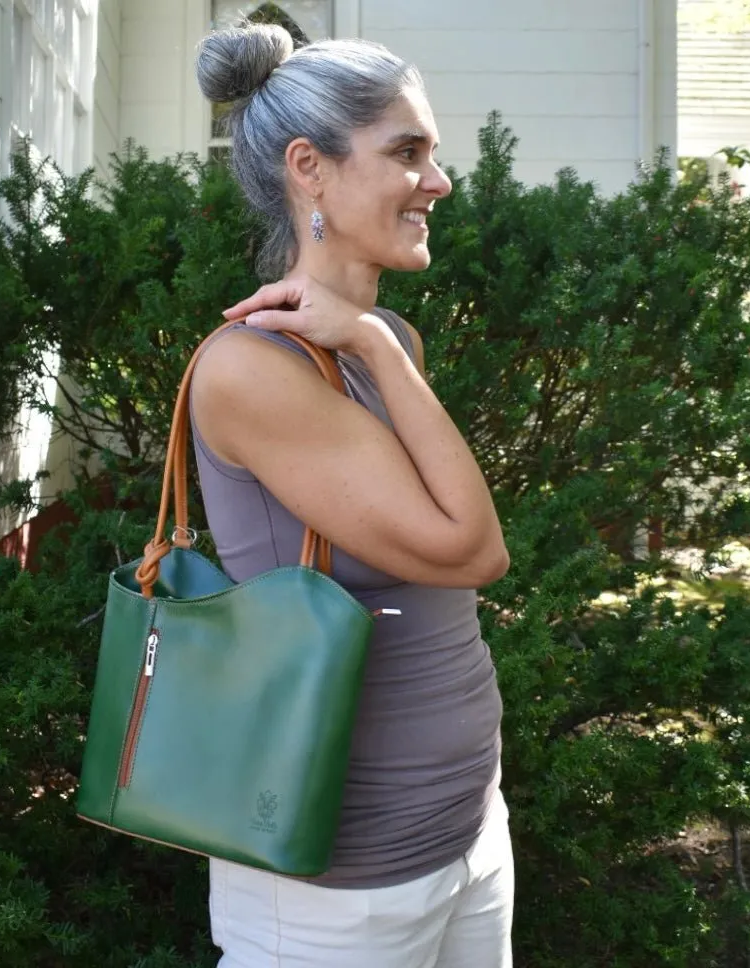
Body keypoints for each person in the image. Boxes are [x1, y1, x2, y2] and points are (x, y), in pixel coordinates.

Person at [190, 22, 513, 968]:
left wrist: (375, 338)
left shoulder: (393, 342)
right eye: (406, 153)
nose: (439, 181)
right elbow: (472, 551)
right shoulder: (252, 369)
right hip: (334, 887)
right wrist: (367, 340)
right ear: (310, 169)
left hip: (466, 831)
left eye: (434, 154)